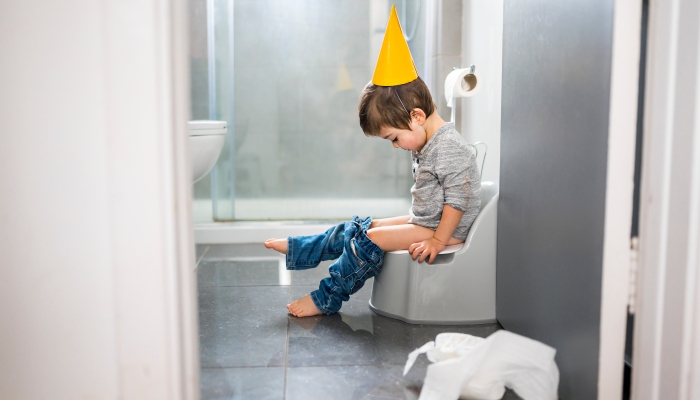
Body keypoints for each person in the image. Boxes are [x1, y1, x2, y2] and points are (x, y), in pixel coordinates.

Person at [264, 6, 481, 318]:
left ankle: (326, 298)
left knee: (369, 239)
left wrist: (437, 239)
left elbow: (458, 201)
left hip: (443, 228)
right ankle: (303, 248)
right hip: (427, 221)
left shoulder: (449, 146)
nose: (395, 146)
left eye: (393, 137)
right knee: (363, 226)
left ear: (416, 117)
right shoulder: (431, 140)